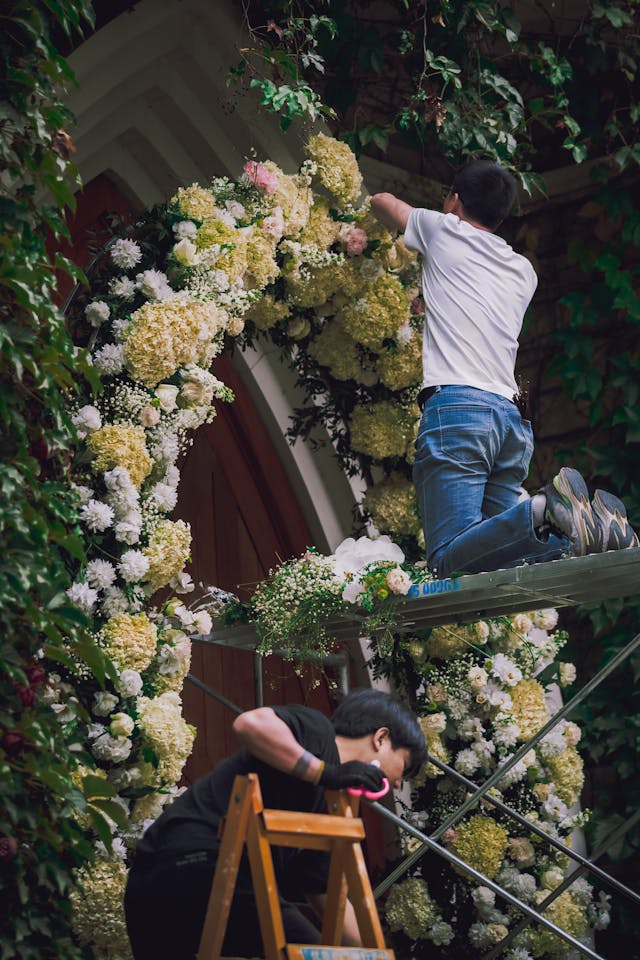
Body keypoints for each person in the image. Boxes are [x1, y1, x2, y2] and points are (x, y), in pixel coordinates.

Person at [371, 161, 638, 578]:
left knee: (445, 559)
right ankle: (592, 529)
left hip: (459, 412)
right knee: (498, 559)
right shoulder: (522, 271)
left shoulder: (443, 229)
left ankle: (544, 508)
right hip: (510, 420)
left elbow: (382, 202)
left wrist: (435, 223)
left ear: (455, 200)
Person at [124, 689, 427, 960]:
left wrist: (377, 954)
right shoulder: (317, 732)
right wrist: (325, 773)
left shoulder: (328, 807)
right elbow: (250, 725)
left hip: (156, 889)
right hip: (192, 865)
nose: (398, 782)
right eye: (404, 766)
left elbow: (326, 897)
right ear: (381, 738)